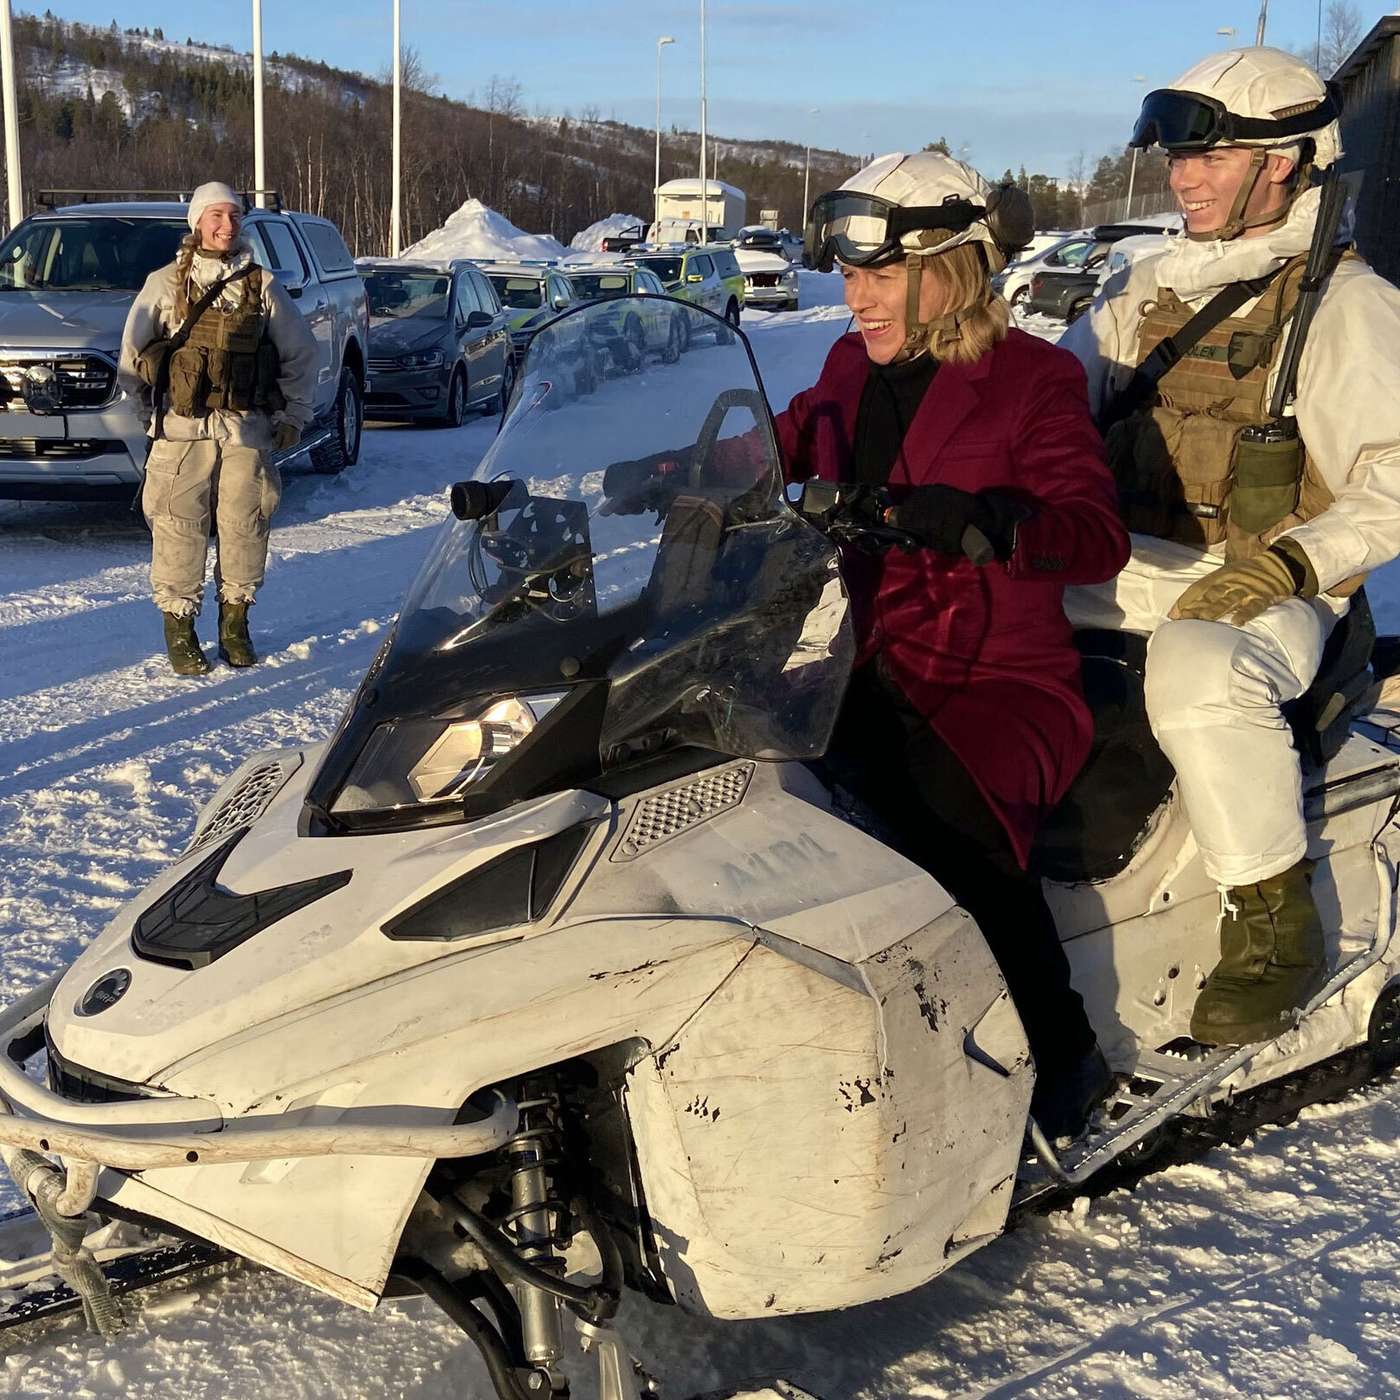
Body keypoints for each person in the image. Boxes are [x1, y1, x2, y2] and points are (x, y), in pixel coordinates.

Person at [1060, 48, 1400, 1047]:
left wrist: (1292, 561)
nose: (1183, 178)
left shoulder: (1346, 307)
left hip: (1274, 588)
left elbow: (1390, 480)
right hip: (1132, 564)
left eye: (1210, 158)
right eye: (1177, 156)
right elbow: (1049, 408)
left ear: (1286, 161)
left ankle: (1269, 924)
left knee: (1197, 669)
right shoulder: (1146, 290)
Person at [788, 153, 1130, 1136]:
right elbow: (792, 437)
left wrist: (991, 519)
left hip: (989, 676)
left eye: (880, 272)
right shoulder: (847, 365)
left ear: (954, 266)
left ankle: (1062, 1051)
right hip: (855, 656)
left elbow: (1089, 527)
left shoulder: (1031, 378)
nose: (856, 295)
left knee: (941, 822)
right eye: (849, 274)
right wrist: (692, 462)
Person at [119, 181, 318, 676]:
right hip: (182, 431)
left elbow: (300, 353)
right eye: (216, 216)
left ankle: (235, 625)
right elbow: (133, 358)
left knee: (245, 523)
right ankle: (180, 631)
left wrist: (294, 414)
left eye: (233, 216)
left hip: (246, 428)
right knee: (177, 526)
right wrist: (149, 419)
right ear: (198, 222)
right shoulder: (165, 283)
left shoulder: (261, 284)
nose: (226, 225)